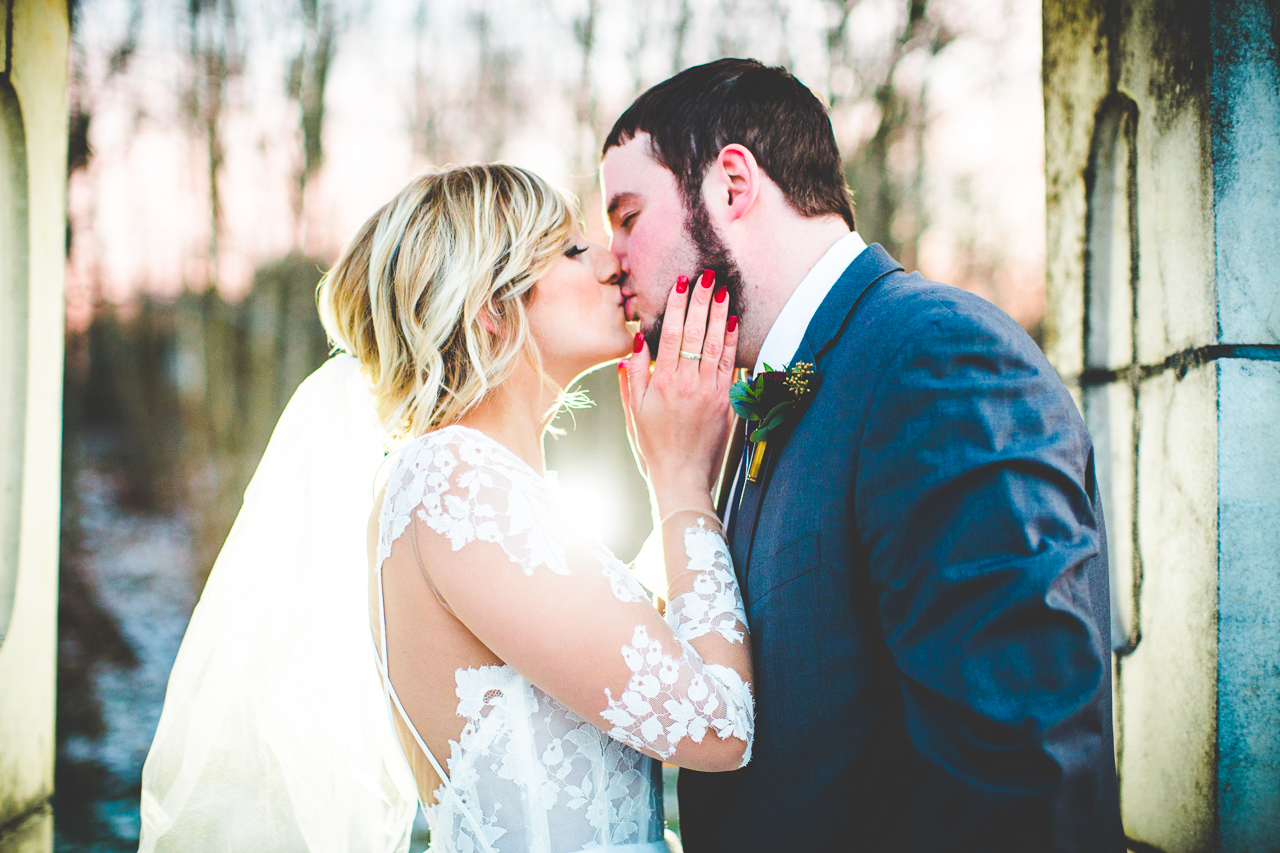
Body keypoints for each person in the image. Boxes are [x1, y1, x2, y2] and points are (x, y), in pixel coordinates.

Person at [139, 164, 754, 853]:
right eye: (573, 251)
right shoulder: (452, 484)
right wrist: (679, 482)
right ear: (492, 305)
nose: (612, 259)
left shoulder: (480, 488)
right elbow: (717, 727)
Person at [601, 58, 1124, 852]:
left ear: (732, 186)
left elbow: (1024, 769)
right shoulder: (765, 403)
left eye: (629, 216)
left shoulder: (938, 357)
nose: (614, 259)